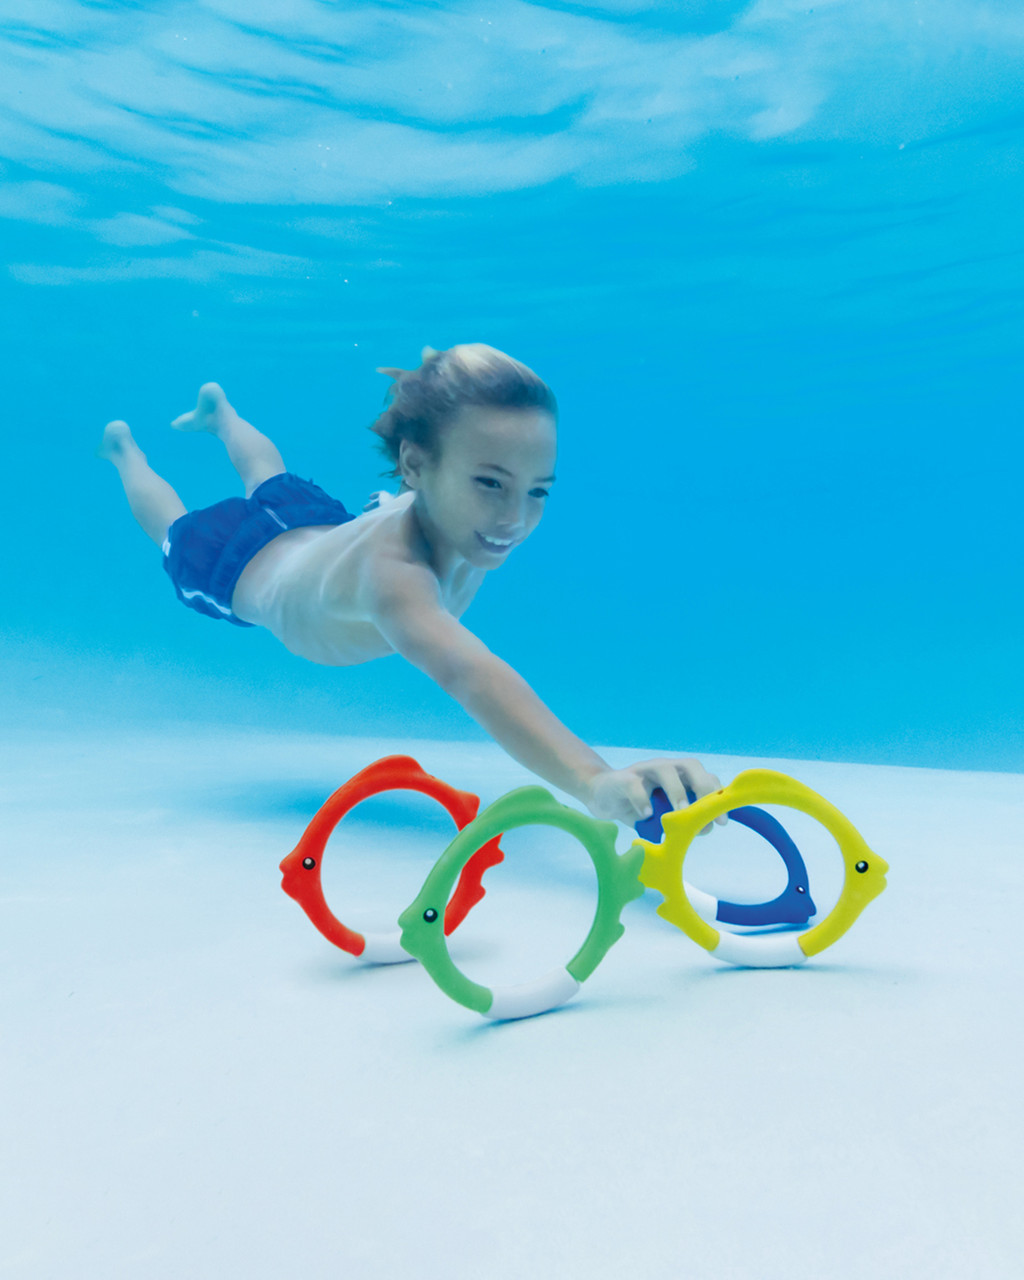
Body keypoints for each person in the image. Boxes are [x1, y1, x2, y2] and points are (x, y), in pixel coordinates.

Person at [98, 343, 724, 826]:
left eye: (537, 492)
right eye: (490, 483)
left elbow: (438, 446)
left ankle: (221, 416)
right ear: (417, 467)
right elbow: (472, 674)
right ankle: (125, 453)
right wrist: (593, 780)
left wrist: (440, 380)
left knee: (269, 479)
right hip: (236, 570)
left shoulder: (438, 499)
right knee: (173, 526)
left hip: (321, 528)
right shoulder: (394, 578)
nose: (514, 519)